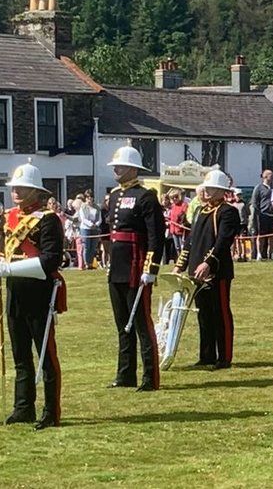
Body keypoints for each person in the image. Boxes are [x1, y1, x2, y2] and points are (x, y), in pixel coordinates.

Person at [0, 160, 66, 429]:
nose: (16, 192)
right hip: (14, 292)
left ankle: (51, 411)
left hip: (39, 292)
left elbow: (50, 260)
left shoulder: (48, 219)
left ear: (35, 191)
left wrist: (8, 267)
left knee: (46, 354)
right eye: (14, 187)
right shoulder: (7, 217)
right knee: (20, 353)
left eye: (23, 187)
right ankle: (23, 407)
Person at [106, 144, 166, 392]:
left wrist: (151, 267)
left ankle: (150, 377)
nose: (116, 169)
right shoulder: (115, 196)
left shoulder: (145, 196)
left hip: (135, 264)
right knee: (122, 323)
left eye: (120, 166)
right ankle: (125, 374)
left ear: (132, 169)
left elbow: (156, 235)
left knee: (141, 322)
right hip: (117, 265)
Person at [173, 170, 240, 369]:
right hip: (196, 271)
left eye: (212, 188)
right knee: (203, 314)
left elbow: (223, 241)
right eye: (207, 187)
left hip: (216, 271)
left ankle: (224, 356)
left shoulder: (228, 211)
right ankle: (207, 355)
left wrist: (208, 263)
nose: (207, 191)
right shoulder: (201, 211)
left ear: (222, 191)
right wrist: (180, 264)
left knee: (220, 313)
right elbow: (190, 241)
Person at [250, 170, 273, 261]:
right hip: (262, 215)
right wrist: (258, 213)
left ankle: (271, 253)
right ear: (265, 176)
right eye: (270, 175)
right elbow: (255, 202)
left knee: (272, 235)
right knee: (261, 235)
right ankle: (259, 254)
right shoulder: (259, 188)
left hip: (272, 215)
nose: (272, 177)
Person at [76, 191, 101, 270]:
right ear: (85, 198)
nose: (89, 199)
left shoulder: (97, 207)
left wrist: (96, 224)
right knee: (87, 246)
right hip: (85, 229)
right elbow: (83, 219)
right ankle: (87, 263)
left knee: (93, 246)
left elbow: (100, 219)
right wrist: (90, 224)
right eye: (88, 197)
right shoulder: (83, 207)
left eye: (91, 197)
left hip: (95, 229)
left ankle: (90, 263)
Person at [167, 189, 189, 257]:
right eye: (172, 197)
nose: (174, 199)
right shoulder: (173, 206)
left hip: (181, 230)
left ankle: (183, 260)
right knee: (177, 247)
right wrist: (168, 220)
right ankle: (179, 259)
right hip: (173, 229)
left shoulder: (184, 205)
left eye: (176, 197)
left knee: (182, 246)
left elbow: (185, 217)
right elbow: (170, 216)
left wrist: (183, 223)